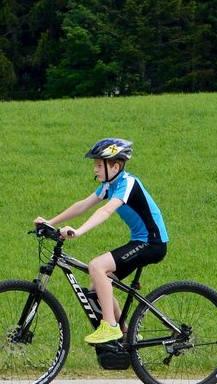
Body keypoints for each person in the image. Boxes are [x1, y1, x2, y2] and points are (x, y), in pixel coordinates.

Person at [34, 138, 169, 344]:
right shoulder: (109, 185)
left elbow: (105, 211)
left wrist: (78, 231)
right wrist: (49, 222)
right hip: (140, 241)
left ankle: (110, 326)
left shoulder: (127, 183)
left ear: (115, 166)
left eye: (99, 165)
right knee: (97, 288)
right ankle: (125, 333)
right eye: (95, 165)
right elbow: (83, 205)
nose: (95, 169)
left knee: (96, 266)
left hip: (152, 243)